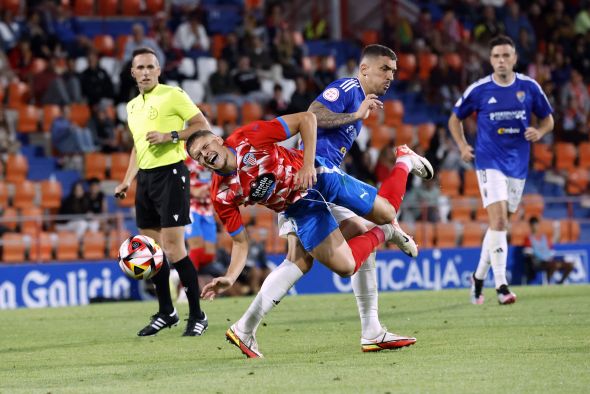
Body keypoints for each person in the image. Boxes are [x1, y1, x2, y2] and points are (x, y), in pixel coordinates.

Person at [224, 44, 425, 357]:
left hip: (296, 185)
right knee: (383, 216)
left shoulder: (362, 98)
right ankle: (404, 164)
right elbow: (314, 115)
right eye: (385, 69)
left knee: (301, 260)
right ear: (364, 69)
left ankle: (246, 328)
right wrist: (355, 115)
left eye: (394, 72)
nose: (390, 77)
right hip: (313, 175)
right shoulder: (347, 87)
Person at [186, 110, 433, 358]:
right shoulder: (221, 195)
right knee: (346, 265)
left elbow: (307, 118)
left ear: (218, 139)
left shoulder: (248, 138)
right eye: (198, 156)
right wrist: (230, 277)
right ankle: (386, 234)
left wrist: (306, 165)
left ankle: (404, 160)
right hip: (300, 209)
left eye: (206, 146)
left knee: (385, 211)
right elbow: (240, 242)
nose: (205, 155)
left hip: (320, 178)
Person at [448, 35, 554, 305]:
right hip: (488, 161)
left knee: (500, 227)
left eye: (506, 55)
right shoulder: (480, 89)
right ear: (490, 59)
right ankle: (502, 286)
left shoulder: (529, 87)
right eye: (496, 56)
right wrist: (461, 145)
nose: (501, 60)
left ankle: (478, 277)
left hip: (518, 164)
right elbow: (454, 118)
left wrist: (539, 131)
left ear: (515, 58)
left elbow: (549, 119)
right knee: (498, 223)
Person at [114, 47, 211, 337]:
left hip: (171, 174)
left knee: (173, 249)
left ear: (158, 70)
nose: (145, 72)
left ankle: (197, 315)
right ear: (132, 73)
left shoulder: (173, 95)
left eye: (150, 67)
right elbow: (138, 147)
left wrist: (170, 136)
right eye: (140, 67)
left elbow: (200, 125)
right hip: (145, 180)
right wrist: (127, 180)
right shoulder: (131, 107)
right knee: (151, 251)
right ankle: (167, 311)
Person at [523, 217, 574, 284]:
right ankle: (548, 283)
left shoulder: (544, 237)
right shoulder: (528, 238)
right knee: (554, 265)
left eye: (536, 225)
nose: (535, 227)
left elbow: (551, 249)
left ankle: (560, 282)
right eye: (533, 225)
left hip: (549, 260)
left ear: (538, 225)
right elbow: (526, 251)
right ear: (530, 226)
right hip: (538, 262)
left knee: (570, 265)